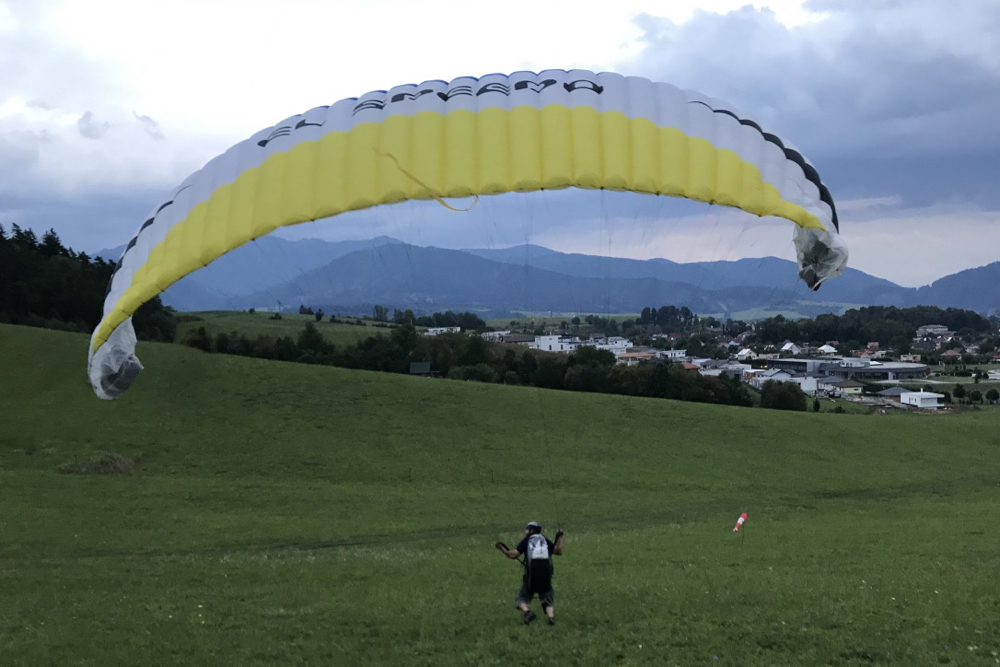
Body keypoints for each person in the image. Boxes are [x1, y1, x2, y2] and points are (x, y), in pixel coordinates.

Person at [495, 521, 564, 625]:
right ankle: (551, 617)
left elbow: (513, 555)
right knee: (547, 595)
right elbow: (558, 551)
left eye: (527, 529)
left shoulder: (527, 541)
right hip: (546, 573)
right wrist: (560, 537)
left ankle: (527, 612)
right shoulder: (544, 539)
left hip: (531, 574)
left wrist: (502, 549)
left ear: (532, 530)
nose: (526, 531)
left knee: (521, 598)